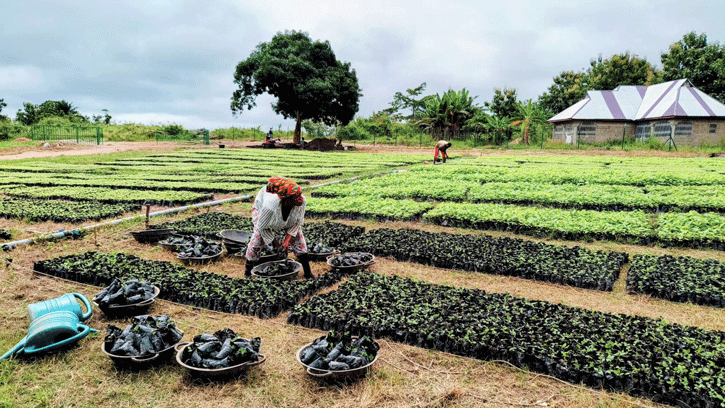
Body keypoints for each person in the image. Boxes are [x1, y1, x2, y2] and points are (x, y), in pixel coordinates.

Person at [245, 176, 312, 278]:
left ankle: (308, 273)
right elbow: (261, 227)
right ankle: (247, 272)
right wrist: (275, 243)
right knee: (257, 239)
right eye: (296, 197)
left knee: (299, 240)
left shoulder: (301, 201)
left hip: (286, 219)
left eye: (300, 194)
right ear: (286, 199)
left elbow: (297, 222)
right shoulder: (270, 206)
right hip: (262, 213)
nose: (300, 198)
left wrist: (287, 241)